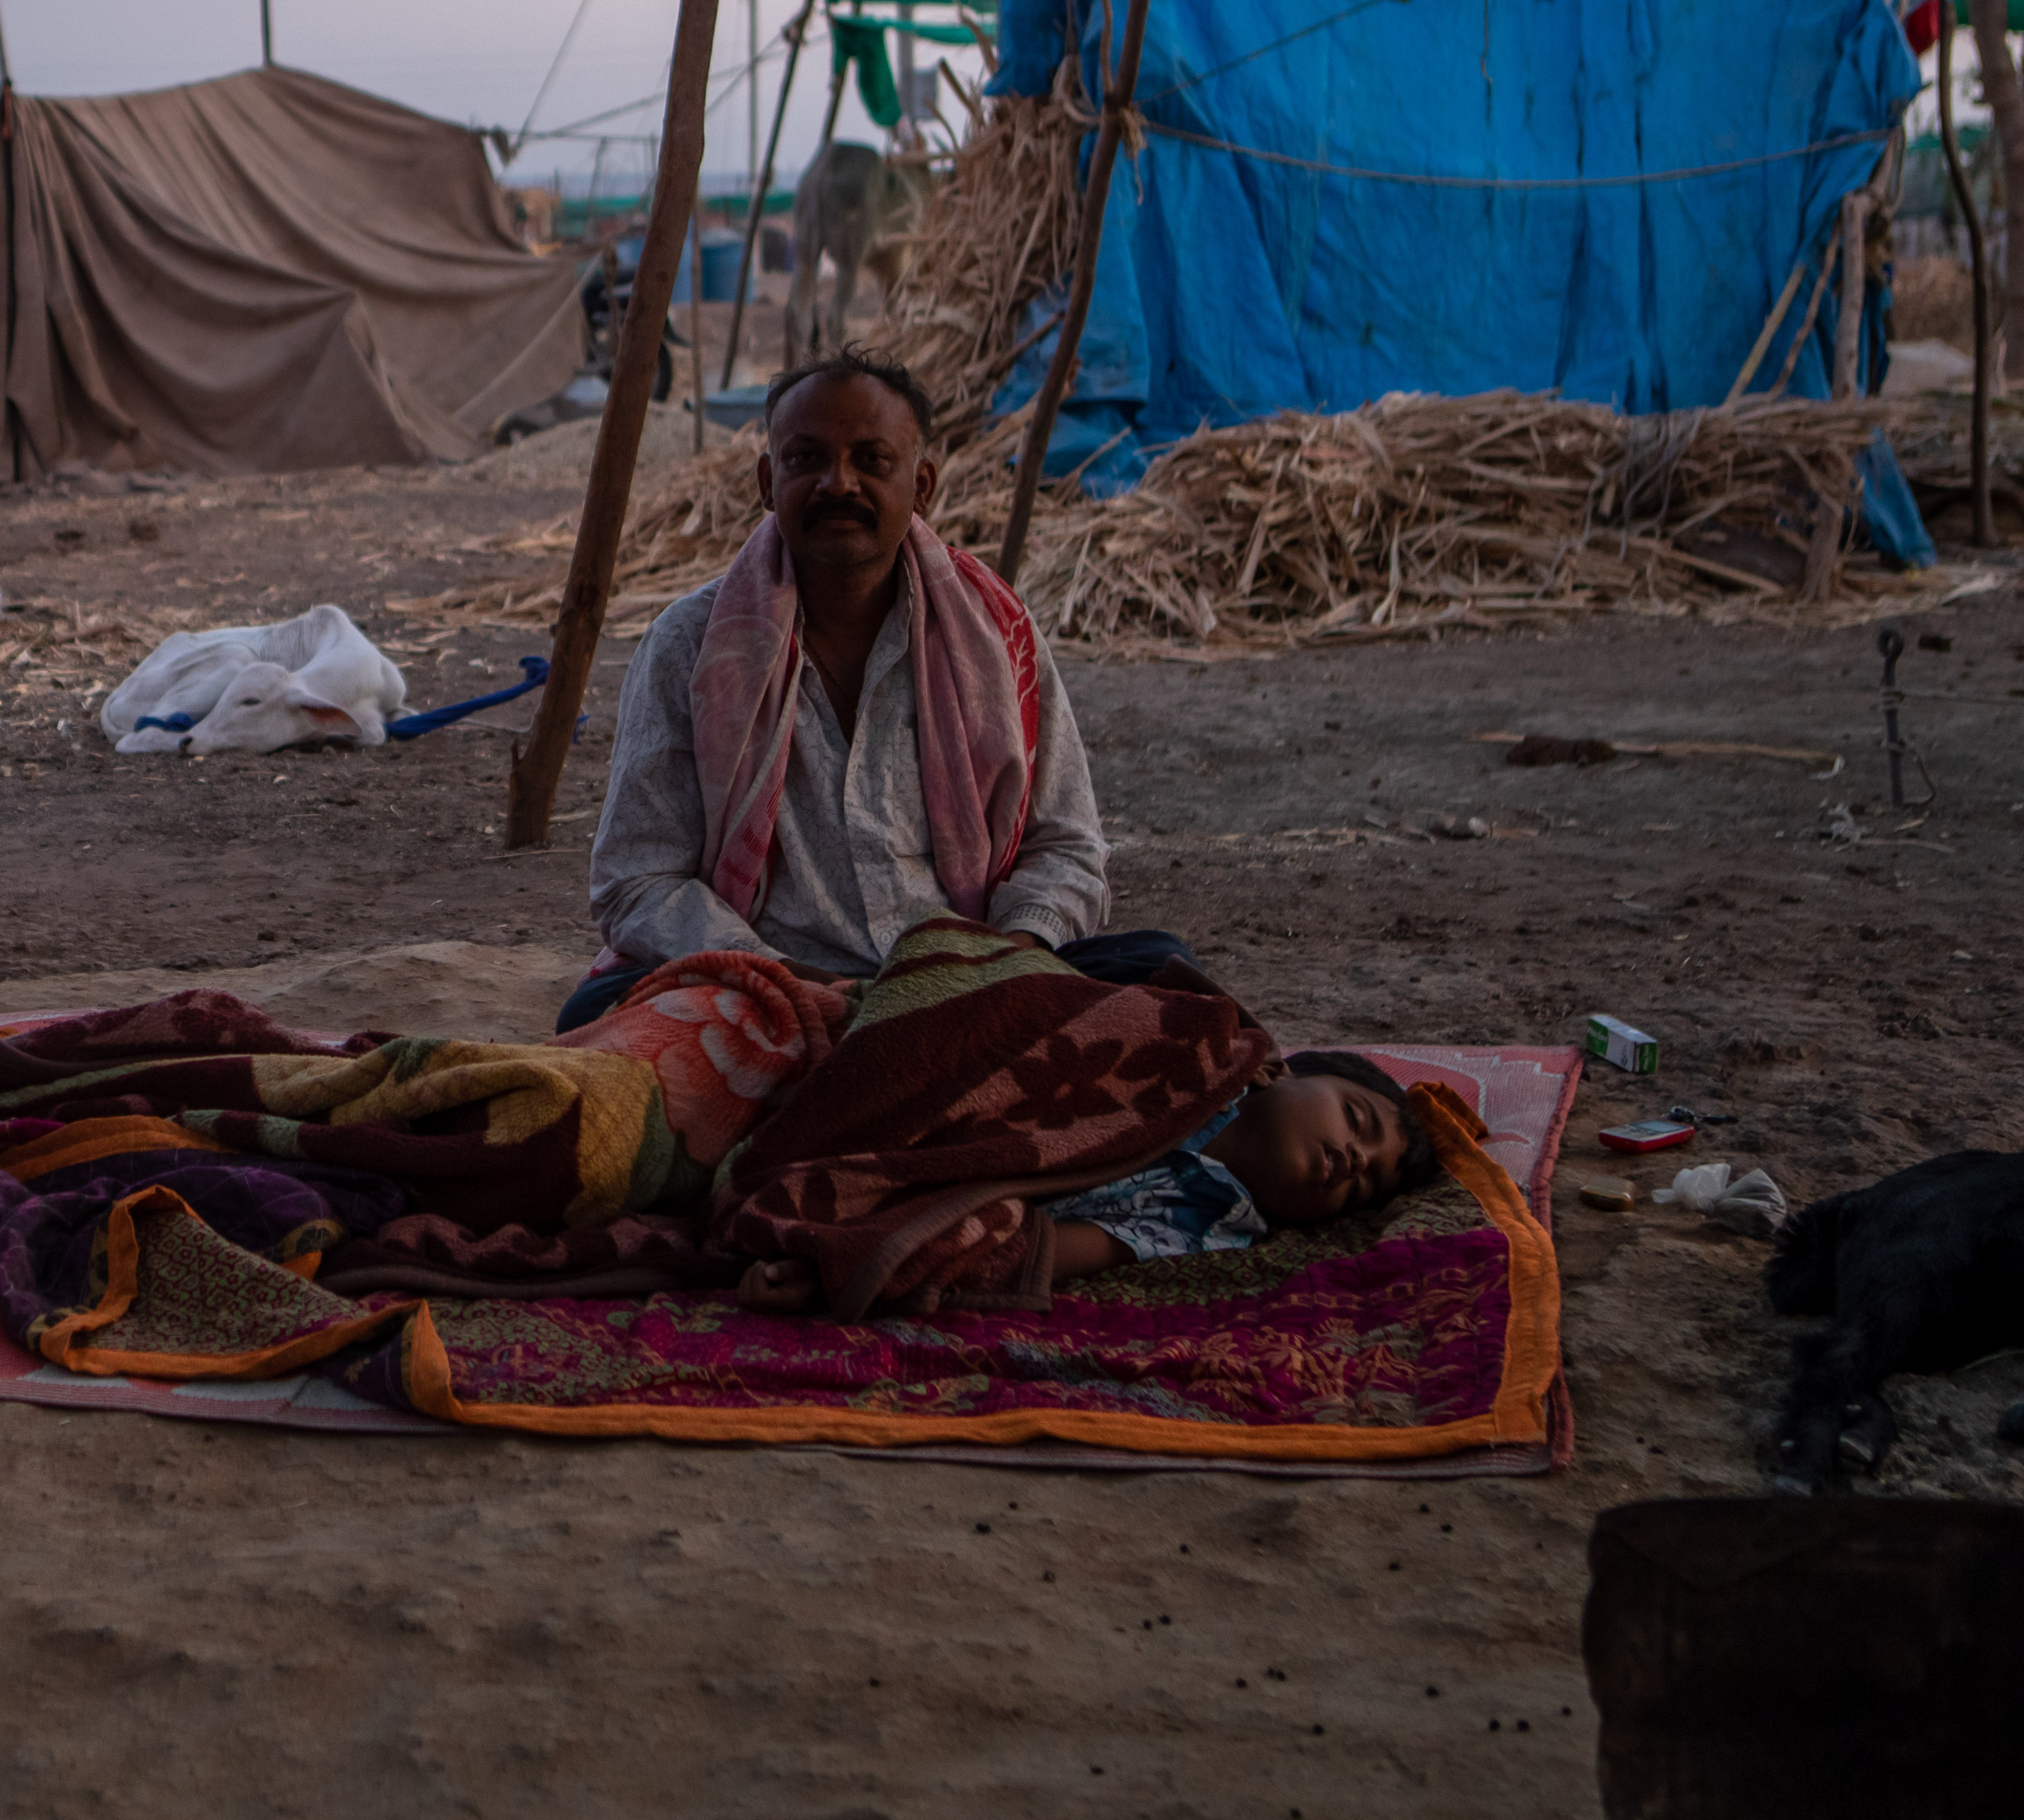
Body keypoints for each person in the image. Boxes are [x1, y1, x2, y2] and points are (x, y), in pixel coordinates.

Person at [569, 347, 1169, 1030]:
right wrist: (784, 977)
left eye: (871, 461)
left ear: (922, 486)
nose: (838, 483)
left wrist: (1008, 957)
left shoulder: (996, 632)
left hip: (967, 984)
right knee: (599, 1015)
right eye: (806, 459)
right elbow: (637, 879)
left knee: (1156, 966)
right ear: (768, 481)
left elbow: (1065, 847)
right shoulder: (690, 644)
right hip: (770, 995)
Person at [1046, 1052, 1440, 1275]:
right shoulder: (1190, 1055)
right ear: (1271, 1072)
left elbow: (1039, 1249)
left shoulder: (1206, 1229)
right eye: (1355, 1119)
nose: (1358, 1160)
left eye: (1360, 1190)